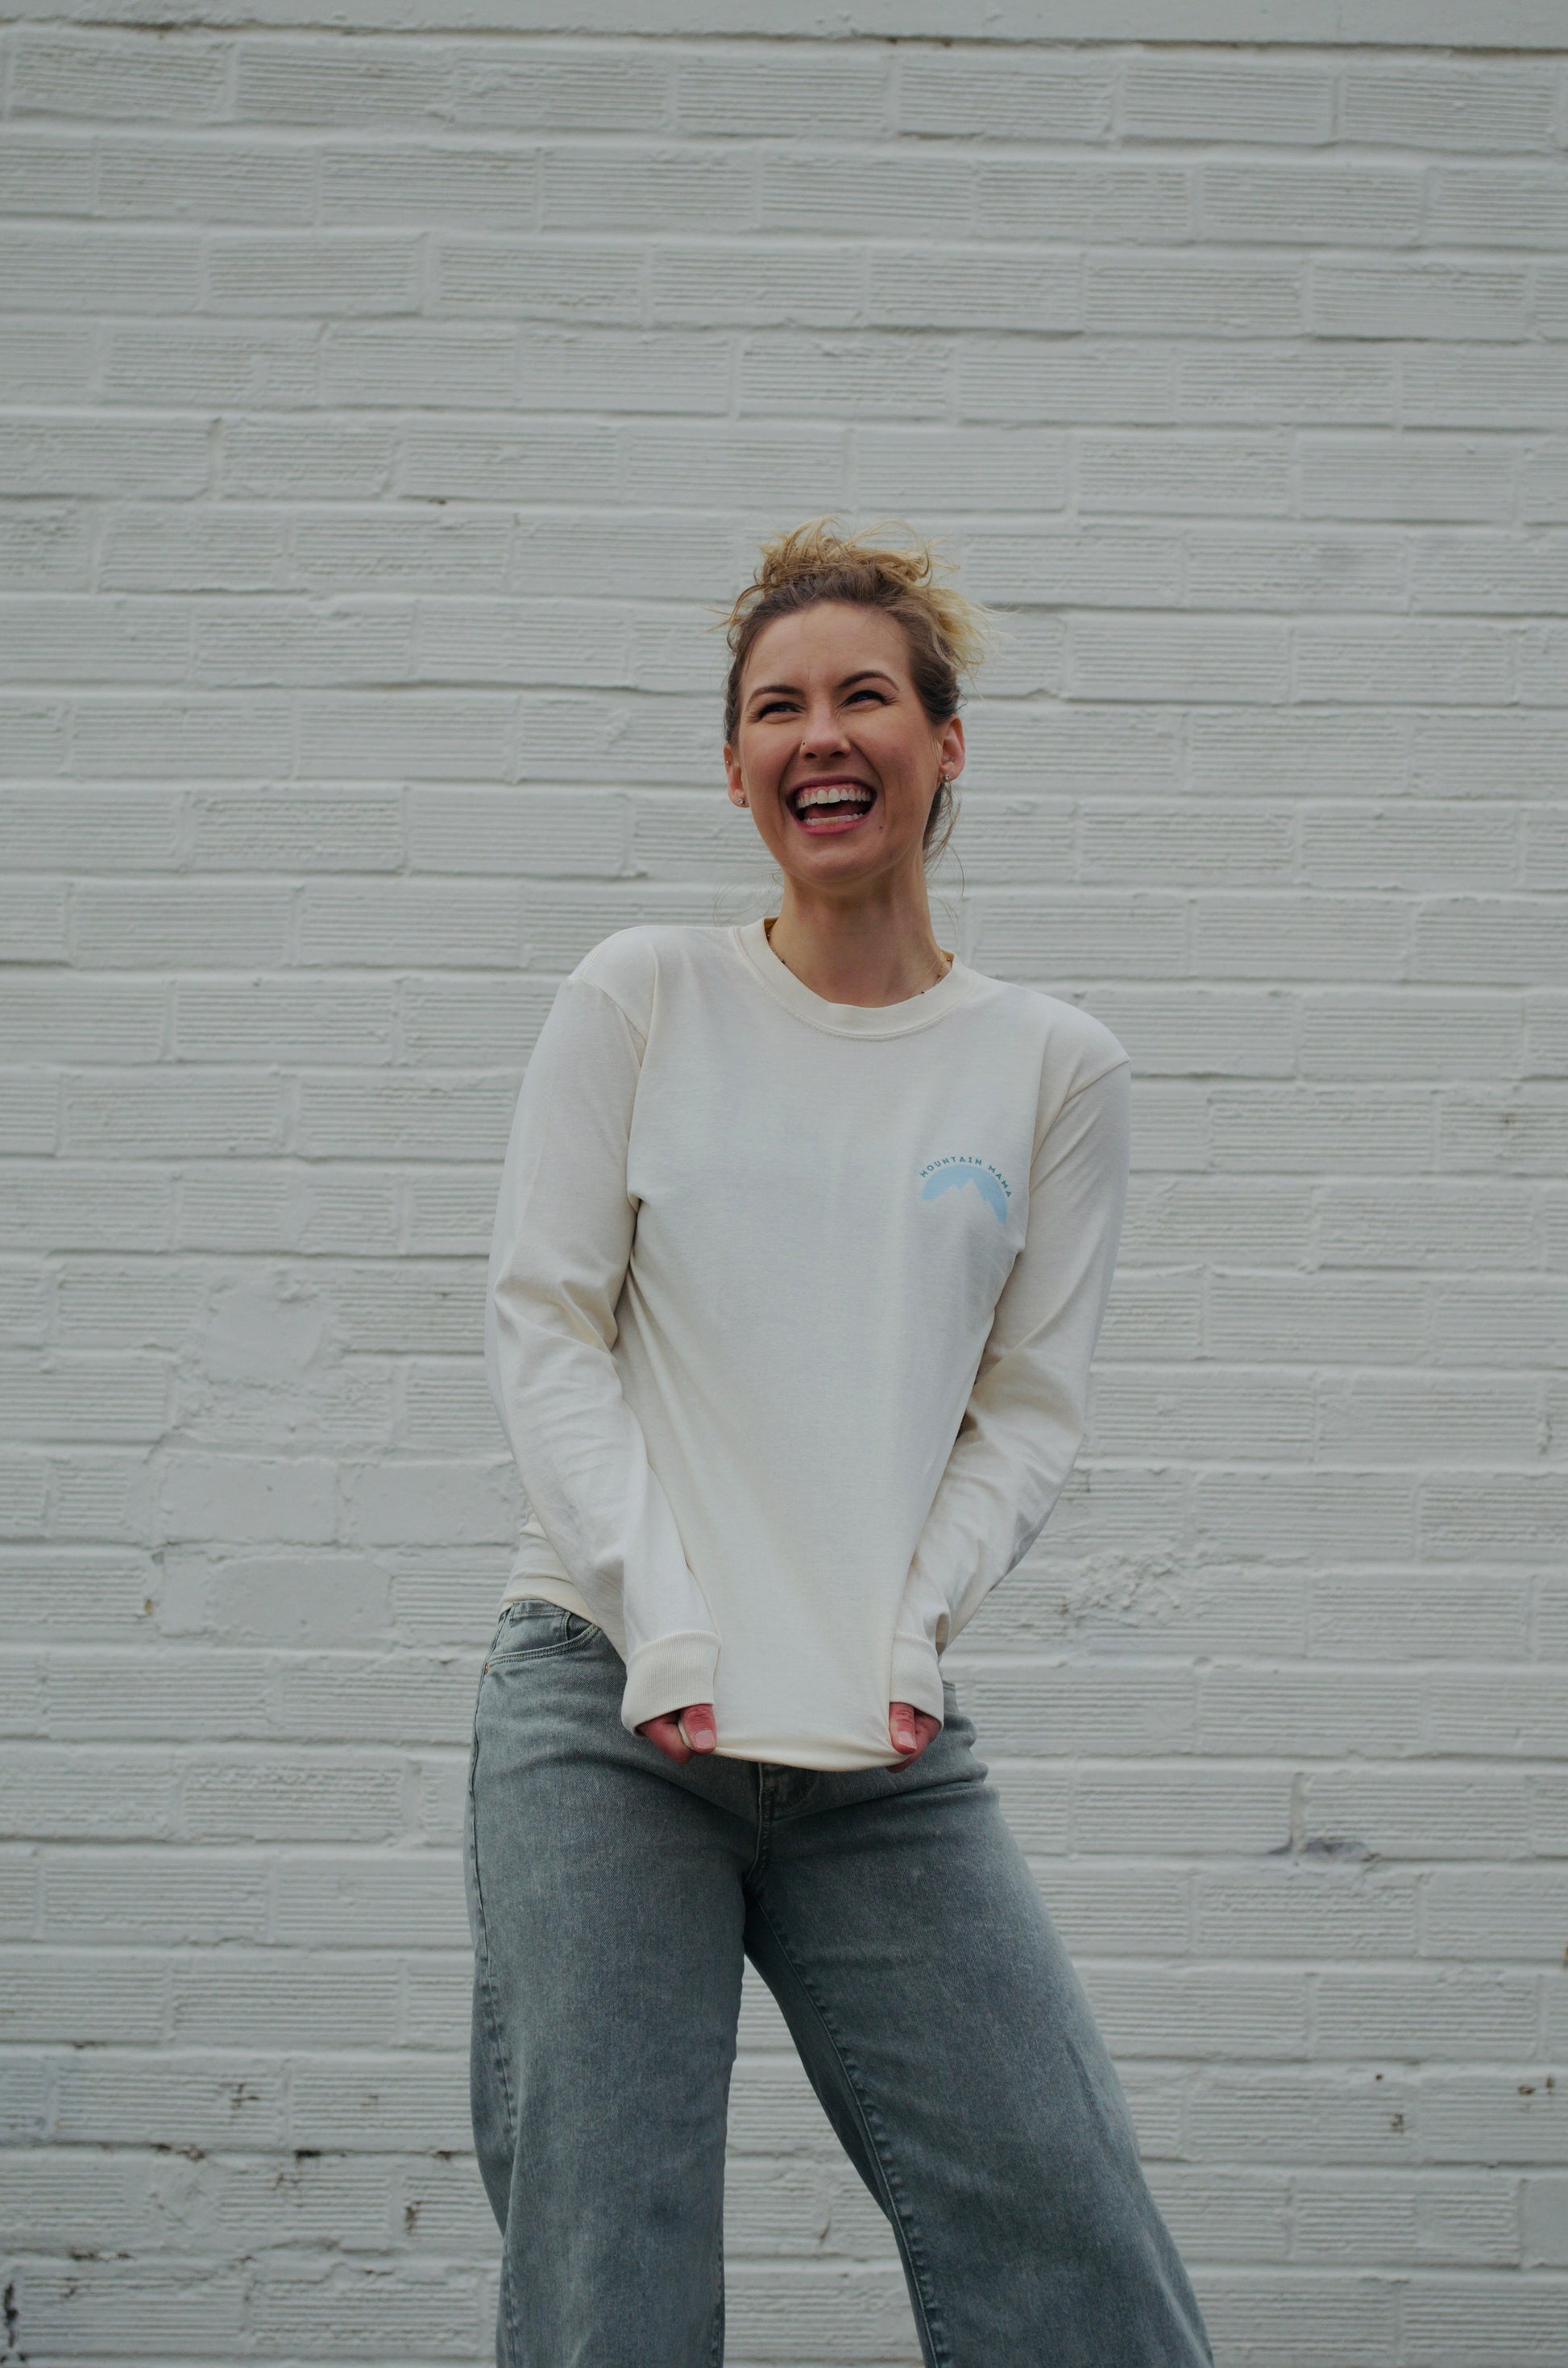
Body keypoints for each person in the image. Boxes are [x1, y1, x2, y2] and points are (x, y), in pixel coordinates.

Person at [467, 520, 1213, 2366]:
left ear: (943, 743)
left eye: (864, 693)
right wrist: (665, 1616)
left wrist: (911, 1629)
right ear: (734, 768)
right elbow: (545, 1324)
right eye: (776, 705)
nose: (823, 731)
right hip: (607, 1707)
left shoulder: (1050, 1066)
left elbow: (1025, 1412)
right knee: (609, 2280)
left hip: (879, 1736)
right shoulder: (642, 994)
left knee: (1074, 2249)